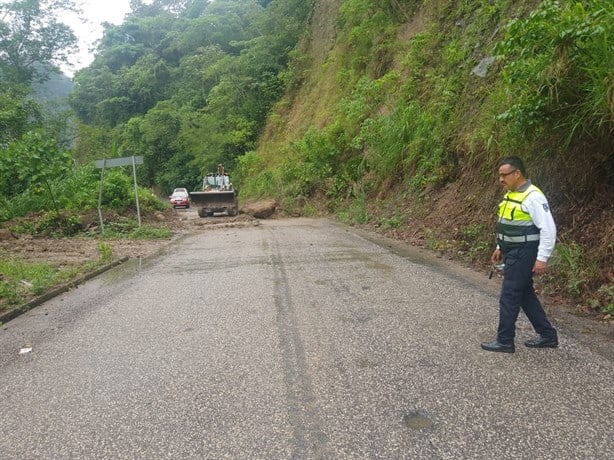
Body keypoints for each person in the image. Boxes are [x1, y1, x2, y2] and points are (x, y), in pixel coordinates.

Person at [481, 156, 559, 353]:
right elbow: (508, 224)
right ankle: (548, 335)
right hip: (512, 251)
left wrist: (542, 258)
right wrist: (500, 246)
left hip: (524, 253)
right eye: (499, 175)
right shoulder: (512, 194)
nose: (500, 180)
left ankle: (505, 340)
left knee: (510, 295)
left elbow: (548, 229)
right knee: (524, 294)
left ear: (517, 173)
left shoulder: (533, 196)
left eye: (504, 175)